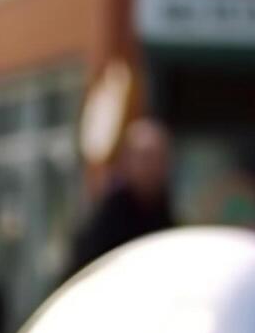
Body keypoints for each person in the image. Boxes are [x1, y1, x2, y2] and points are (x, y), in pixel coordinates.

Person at [68, 118, 175, 276]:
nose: (151, 167)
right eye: (145, 158)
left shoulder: (164, 211)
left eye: (158, 158)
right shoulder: (107, 221)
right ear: (126, 161)